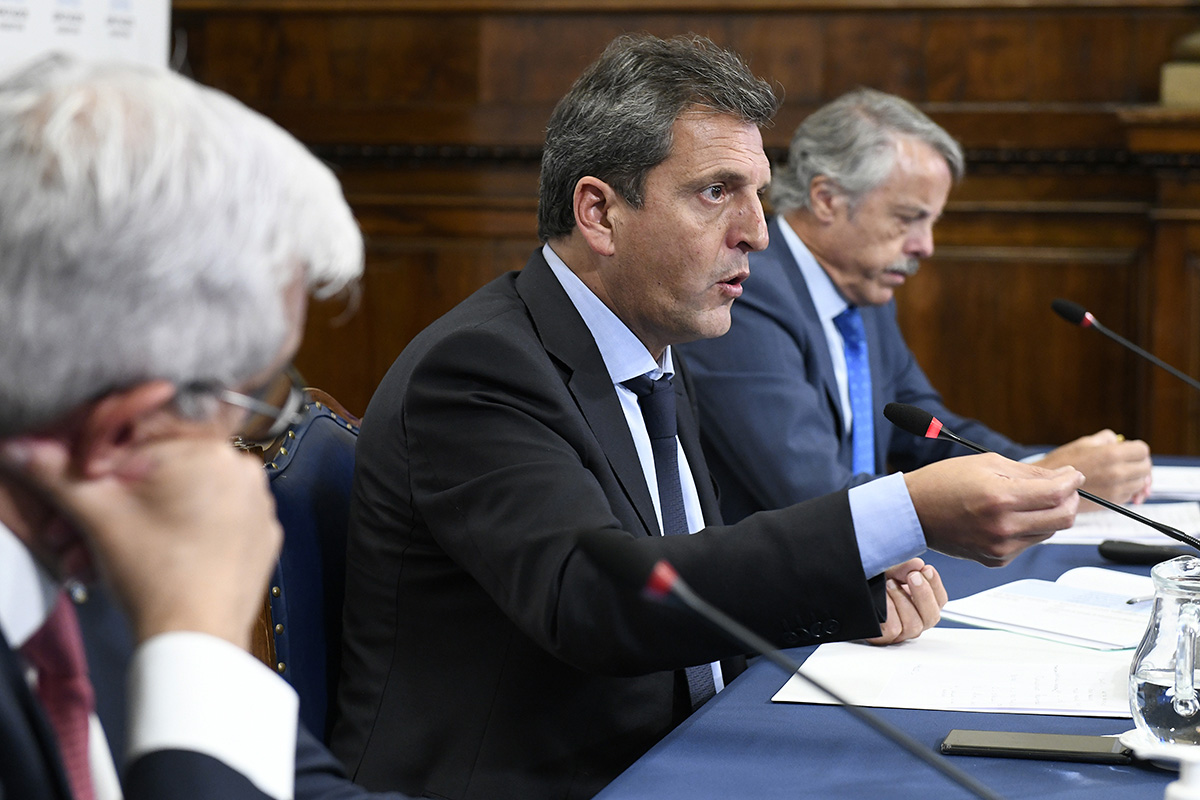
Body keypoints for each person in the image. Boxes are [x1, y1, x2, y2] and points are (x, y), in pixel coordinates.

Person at [332, 34, 1084, 800]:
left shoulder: (655, 352)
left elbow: (686, 572)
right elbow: (596, 599)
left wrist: (848, 598)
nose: (759, 231)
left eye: (758, 193)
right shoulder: (478, 368)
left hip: (668, 754)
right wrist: (901, 511)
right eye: (717, 192)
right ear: (599, 212)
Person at [0, 55, 414, 800]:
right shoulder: (158, 580)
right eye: (255, 401)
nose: (247, 453)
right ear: (125, 433)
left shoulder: (92, 560)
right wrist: (198, 631)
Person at [678, 88, 1153, 524]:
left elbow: (929, 432)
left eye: (931, 222)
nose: (925, 246)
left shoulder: (863, 286)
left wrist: (1046, 471)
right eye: (908, 218)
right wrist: (1041, 482)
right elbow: (813, 492)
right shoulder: (746, 292)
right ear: (826, 199)